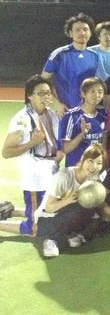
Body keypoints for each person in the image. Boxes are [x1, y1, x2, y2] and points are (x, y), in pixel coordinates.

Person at [0, 76, 63, 237]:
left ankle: (10, 211)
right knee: (35, 229)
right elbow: (6, 152)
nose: (46, 97)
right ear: (29, 95)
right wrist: (32, 142)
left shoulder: (50, 114)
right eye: (41, 93)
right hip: (35, 178)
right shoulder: (22, 120)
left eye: (48, 93)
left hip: (50, 172)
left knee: (50, 211)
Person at [32, 145, 106, 258]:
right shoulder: (64, 177)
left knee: (94, 212)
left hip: (68, 212)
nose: (94, 166)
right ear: (82, 159)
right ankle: (51, 240)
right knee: (77, 210)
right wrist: (68, 200)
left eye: (99, 163)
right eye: (90, 161)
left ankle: (74, 234)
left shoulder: (94, 177)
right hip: (47, 217)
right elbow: (49, 208)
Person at [41, 12, 99, 114]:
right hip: (65, 111)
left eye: (85, 29)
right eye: (77, 30)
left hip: (87, 111)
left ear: (90, 33)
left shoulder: (94, 56)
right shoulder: (59, 54)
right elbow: (42, 81)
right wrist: (57, 103)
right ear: (70, 33)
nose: (82, 33)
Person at [59, 77, 108, 167]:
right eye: (92, 91)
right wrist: (82, 134)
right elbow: (65, 149)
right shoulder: (71, 116)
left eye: (100, 92)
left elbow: (103, 141)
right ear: (83, 94)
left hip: (95, 167)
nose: (97, 95)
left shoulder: (103, 114)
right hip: (76, 167)